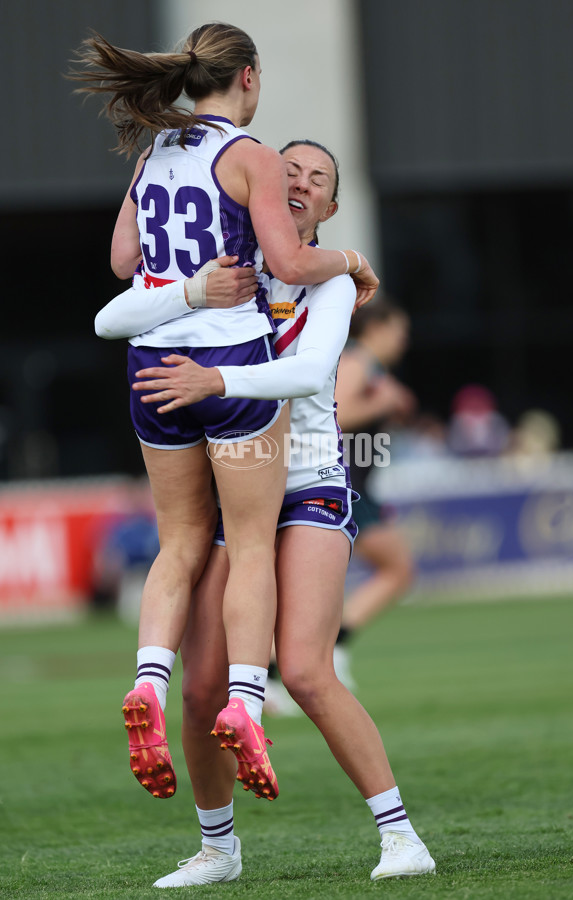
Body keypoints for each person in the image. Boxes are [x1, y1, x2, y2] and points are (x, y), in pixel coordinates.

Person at [96, 139, 436, 884]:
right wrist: (181, 298)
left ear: (332, 209)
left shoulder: (333, 280)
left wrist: (210, 379)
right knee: (199, 687)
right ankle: (218, 849)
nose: (299, 183)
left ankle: (401, 836)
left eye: (317, 179)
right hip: (234, 486)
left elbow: (311, 372)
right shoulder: (231, 268)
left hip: (308, 481)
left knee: (309, 672)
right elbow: (119, 305)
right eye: (289, 171)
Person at [71, 23, 378, 801]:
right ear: (249, 77)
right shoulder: (248, 156)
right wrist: (347, 258)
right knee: (246, 544)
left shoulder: (153, 154)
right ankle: (246, 700)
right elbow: (288, 263)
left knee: (177, 543)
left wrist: (181, 287)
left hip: (153, 362)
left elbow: (119, 265)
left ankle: (147, 680)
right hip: (229, 361)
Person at [333, 300, 417, 688]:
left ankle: (278, 670)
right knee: (396, 567)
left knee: (394, 568)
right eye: (399, 333)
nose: (403, 342)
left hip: (357, 483)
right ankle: (333, 647)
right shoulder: (357, 363)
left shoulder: (370, 368)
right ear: (377, 330)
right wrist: (384, 401)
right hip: (346, 483)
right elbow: (336, 415)